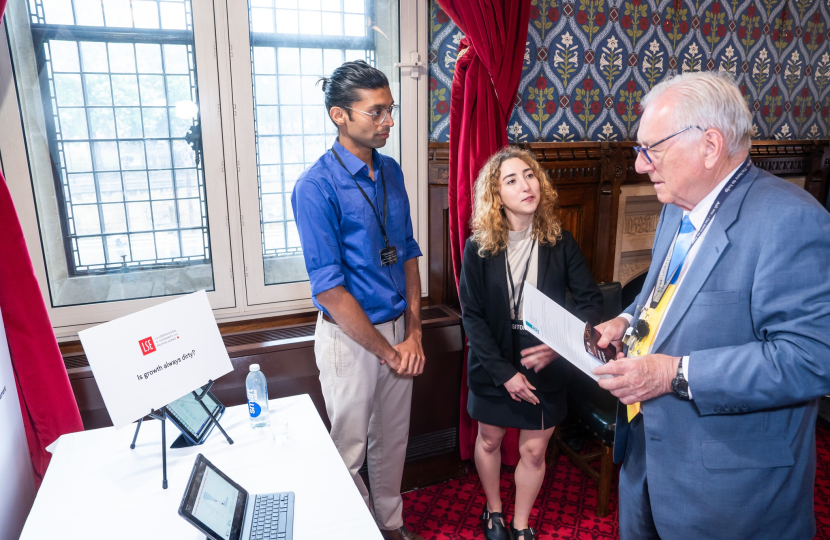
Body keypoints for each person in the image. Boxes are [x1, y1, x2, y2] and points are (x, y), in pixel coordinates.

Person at [593, 71, 830, 539]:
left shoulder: (792, 220)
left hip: (732, 495)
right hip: (648, 462)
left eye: (651, 149)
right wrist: (627, 319)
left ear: (709, 145)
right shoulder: (677, 203)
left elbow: (811, 358)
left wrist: (672, 373)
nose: (640, 165)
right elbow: (663, 291)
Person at [291, 60, 425, 540]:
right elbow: (328, 288)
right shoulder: (315, 187)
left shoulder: (390, 171)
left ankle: (390, 526)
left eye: (390, 110)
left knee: (392, 444)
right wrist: (389, 351)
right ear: (339, 115)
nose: (388, 121)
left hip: (397, 333)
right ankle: (358, 531)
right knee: (347, 452)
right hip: (350, 339)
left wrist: (414, 333)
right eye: (376, 112)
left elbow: (407, 251)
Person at [459, 147, 603, 540]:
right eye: (511, 180)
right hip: (493, 357)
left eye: (529, 175)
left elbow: (591, 303)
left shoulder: (562, 241)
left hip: (545, 356)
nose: (526, 185)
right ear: (495, 195)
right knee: (489, 440)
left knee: (534, 451)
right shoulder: (478, 248)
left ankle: (521, 524)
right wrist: (504, 374)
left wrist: (562, 345)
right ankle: (494, 513)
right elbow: (471, 316)